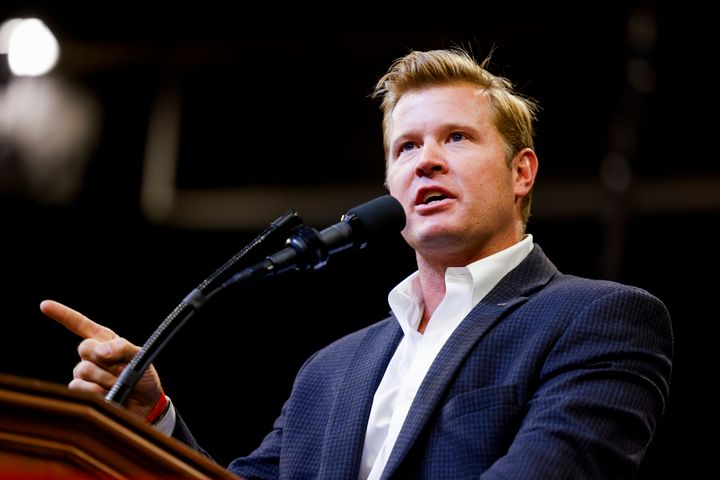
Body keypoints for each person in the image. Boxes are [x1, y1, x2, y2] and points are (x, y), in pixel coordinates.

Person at [41, 48, 673, 479]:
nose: (425, 160)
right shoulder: (329, 372)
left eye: (456, 137)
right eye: (406, 147)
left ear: (521, 172)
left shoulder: (600, 320)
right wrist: (151, 422)